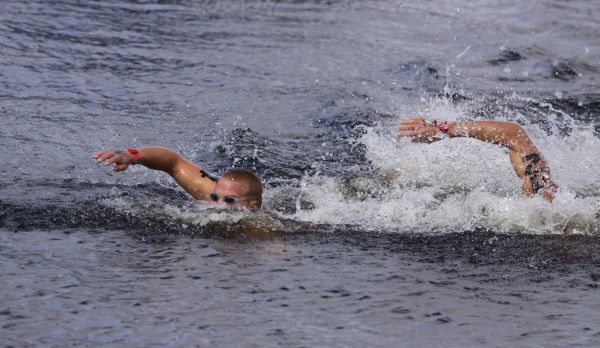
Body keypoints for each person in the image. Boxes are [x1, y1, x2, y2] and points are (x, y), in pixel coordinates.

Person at [398, 117, 558, 202]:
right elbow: (513, 134)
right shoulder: (551, 203)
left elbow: (514, 134)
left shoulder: (546, 202)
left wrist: (444, 128)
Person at [94, 147, 263, 210]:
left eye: (229, 200)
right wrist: (131, 155)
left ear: (252, 206)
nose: (217, 206)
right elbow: (173, 162)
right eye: (214, 197)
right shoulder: (209, 190)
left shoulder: (265, 229)